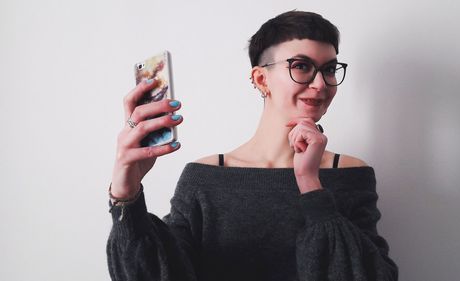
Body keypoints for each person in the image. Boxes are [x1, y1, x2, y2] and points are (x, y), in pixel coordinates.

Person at [107, 10, 398, 281]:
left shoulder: (350, 174)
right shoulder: (204, 177)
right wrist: (126, 194)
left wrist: (310, 184)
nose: (321, 84)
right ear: (261, 79)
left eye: (330, 69)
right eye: (301, 66)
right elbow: (162, 272)